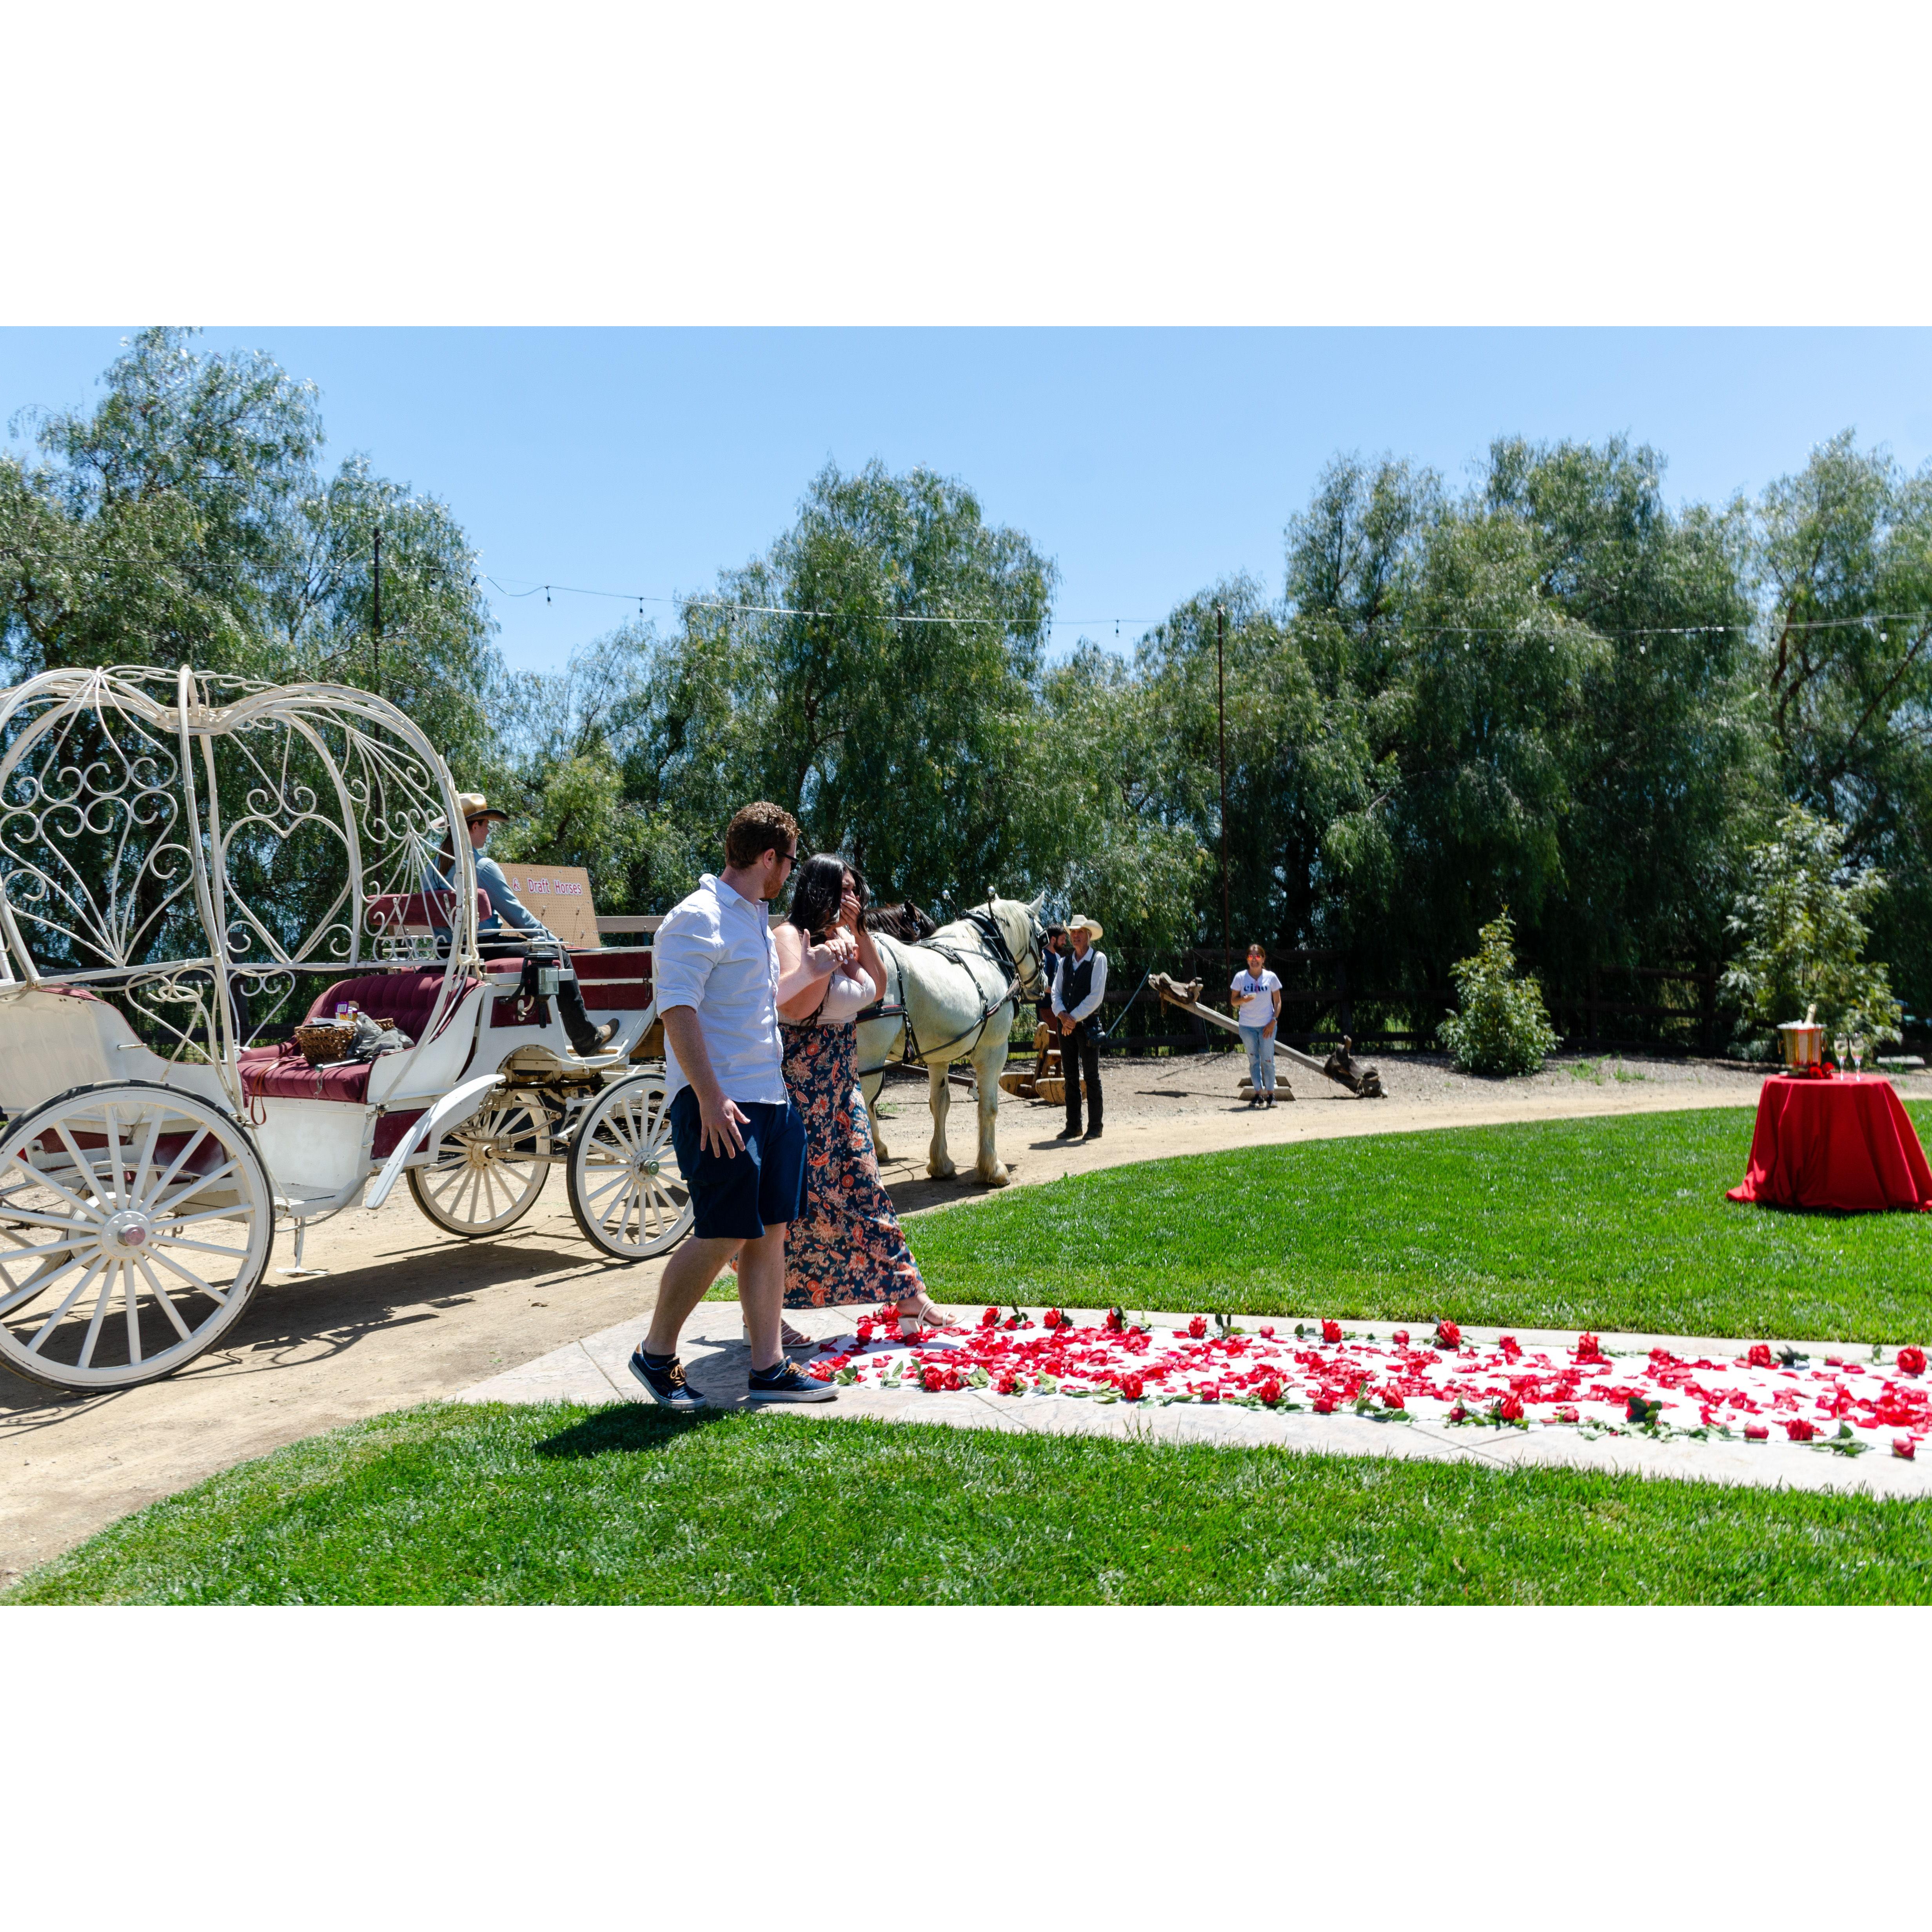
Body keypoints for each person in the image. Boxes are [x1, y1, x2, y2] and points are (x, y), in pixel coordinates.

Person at [625, 801, 835, 1410]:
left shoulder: (753, 921)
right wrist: (712, 1097)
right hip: (719, 1103)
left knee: (771, 1232)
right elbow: (677, 1013)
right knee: (723, 1233)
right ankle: (656, 1354)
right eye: (789, 862)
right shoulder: (697, 918)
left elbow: (756, 1005)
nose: (790, 875)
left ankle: (769, 1366)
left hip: (769, 1100)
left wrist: (816, 966)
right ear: (769, 857)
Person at [772, 854, 948, 1333]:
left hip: (842, 1086)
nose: (852, 899)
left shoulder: (842, 936)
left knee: (867, 1189)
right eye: (843, 890)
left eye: (856, 891)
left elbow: (877, 990)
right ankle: (763, 1315)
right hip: (801, 1088)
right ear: (817, 889)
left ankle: (909, 1293)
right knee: (793, 1208)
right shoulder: (789, 939)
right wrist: (824, 964)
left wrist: (859, 935)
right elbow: (798, 1006)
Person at [426, 793, 618, 1057]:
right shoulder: (481, 867)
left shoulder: (431, 869)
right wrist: (555, 941)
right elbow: (519, 917)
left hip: (446, 953)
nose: (489, 830)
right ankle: (585, 1037)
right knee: (558, 955)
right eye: (485, 824)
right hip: (480, 950)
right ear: (473, 827)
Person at [1052, 913, 1108, 1142]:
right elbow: (1056, 992)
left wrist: (1071, 1017)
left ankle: (1095, 1127)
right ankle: (1073, 1126)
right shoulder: (1065, 962)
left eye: (1079, 932)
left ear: (1088, 936)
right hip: (1066, 1025)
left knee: (1092, 1076)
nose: (1075, 936)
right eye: (1073, 932)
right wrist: (1063, 1015)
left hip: (1087, 1026)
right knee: (1071, 1077)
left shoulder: (1099, 960)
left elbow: (1096, 997)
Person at [1230, 942, 1284, 1108]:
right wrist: (1243, 1000)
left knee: (1268, 1060)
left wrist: (1273, 1021)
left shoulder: (1271, 977)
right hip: (1247, 1026)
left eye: (1257, 956)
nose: (1254, 960)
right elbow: (1233, 1002)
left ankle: (1271, 1095)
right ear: (1247, 959)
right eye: (1251, 957)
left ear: (1263, 958)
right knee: (1254, 1060)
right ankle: (1258, 1094)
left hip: (1267, 1025)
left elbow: (1278, 1001)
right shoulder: (1240, 977)